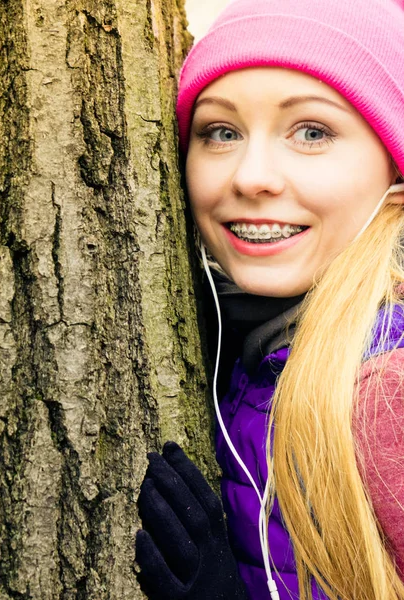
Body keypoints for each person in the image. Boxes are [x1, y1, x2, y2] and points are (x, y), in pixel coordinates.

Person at [134, 0, 404, 599]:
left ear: (394, 172)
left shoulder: (388, 394)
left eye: (312, 131)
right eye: (221, 132)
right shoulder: (237, 351)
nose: (251, 176)